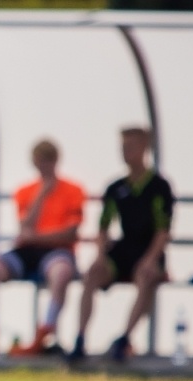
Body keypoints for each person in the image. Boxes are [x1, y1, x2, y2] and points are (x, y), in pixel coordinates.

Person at [71, 128, 174, 365]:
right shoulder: (116, 187)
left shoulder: (159, 187)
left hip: (149, 250)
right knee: (92, 274)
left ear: (144, 149)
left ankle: (124, 339)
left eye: (131, 147)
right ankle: (80, 339)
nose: (126, 153)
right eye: (123, 148)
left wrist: (150, 260)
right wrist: (99, 255)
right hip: (124, 248)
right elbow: (104, 226)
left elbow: (163, 230)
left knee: (146, 276)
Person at [0, 140, 85, 358]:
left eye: (47, 161)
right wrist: (42, 194)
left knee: (61, 273)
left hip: (57, 251)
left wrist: (37, 236)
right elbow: (24, 227)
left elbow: (70, 232)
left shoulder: (73, 190)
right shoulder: (26, 191)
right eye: (39, 162)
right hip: (27, 251)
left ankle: (43, 335)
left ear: (55, 161)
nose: (43, 167)